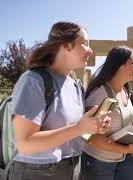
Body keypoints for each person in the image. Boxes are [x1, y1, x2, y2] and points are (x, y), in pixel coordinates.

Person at [9, 21, 110, 180]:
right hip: (37, 172)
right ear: (65, 45)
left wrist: (93, 127)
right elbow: (25, 144)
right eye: (84, 44)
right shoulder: (33, 81)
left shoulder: (76, 85)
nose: (90, 50)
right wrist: (78, 128)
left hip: (73, 167)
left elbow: (74, 133)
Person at [81, 46, 133, 180]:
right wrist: (129, 149)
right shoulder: (101, 94)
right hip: (98, 162)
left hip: (123, 159)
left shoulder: (126, 91)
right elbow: (90, 137)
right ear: (119, 65)